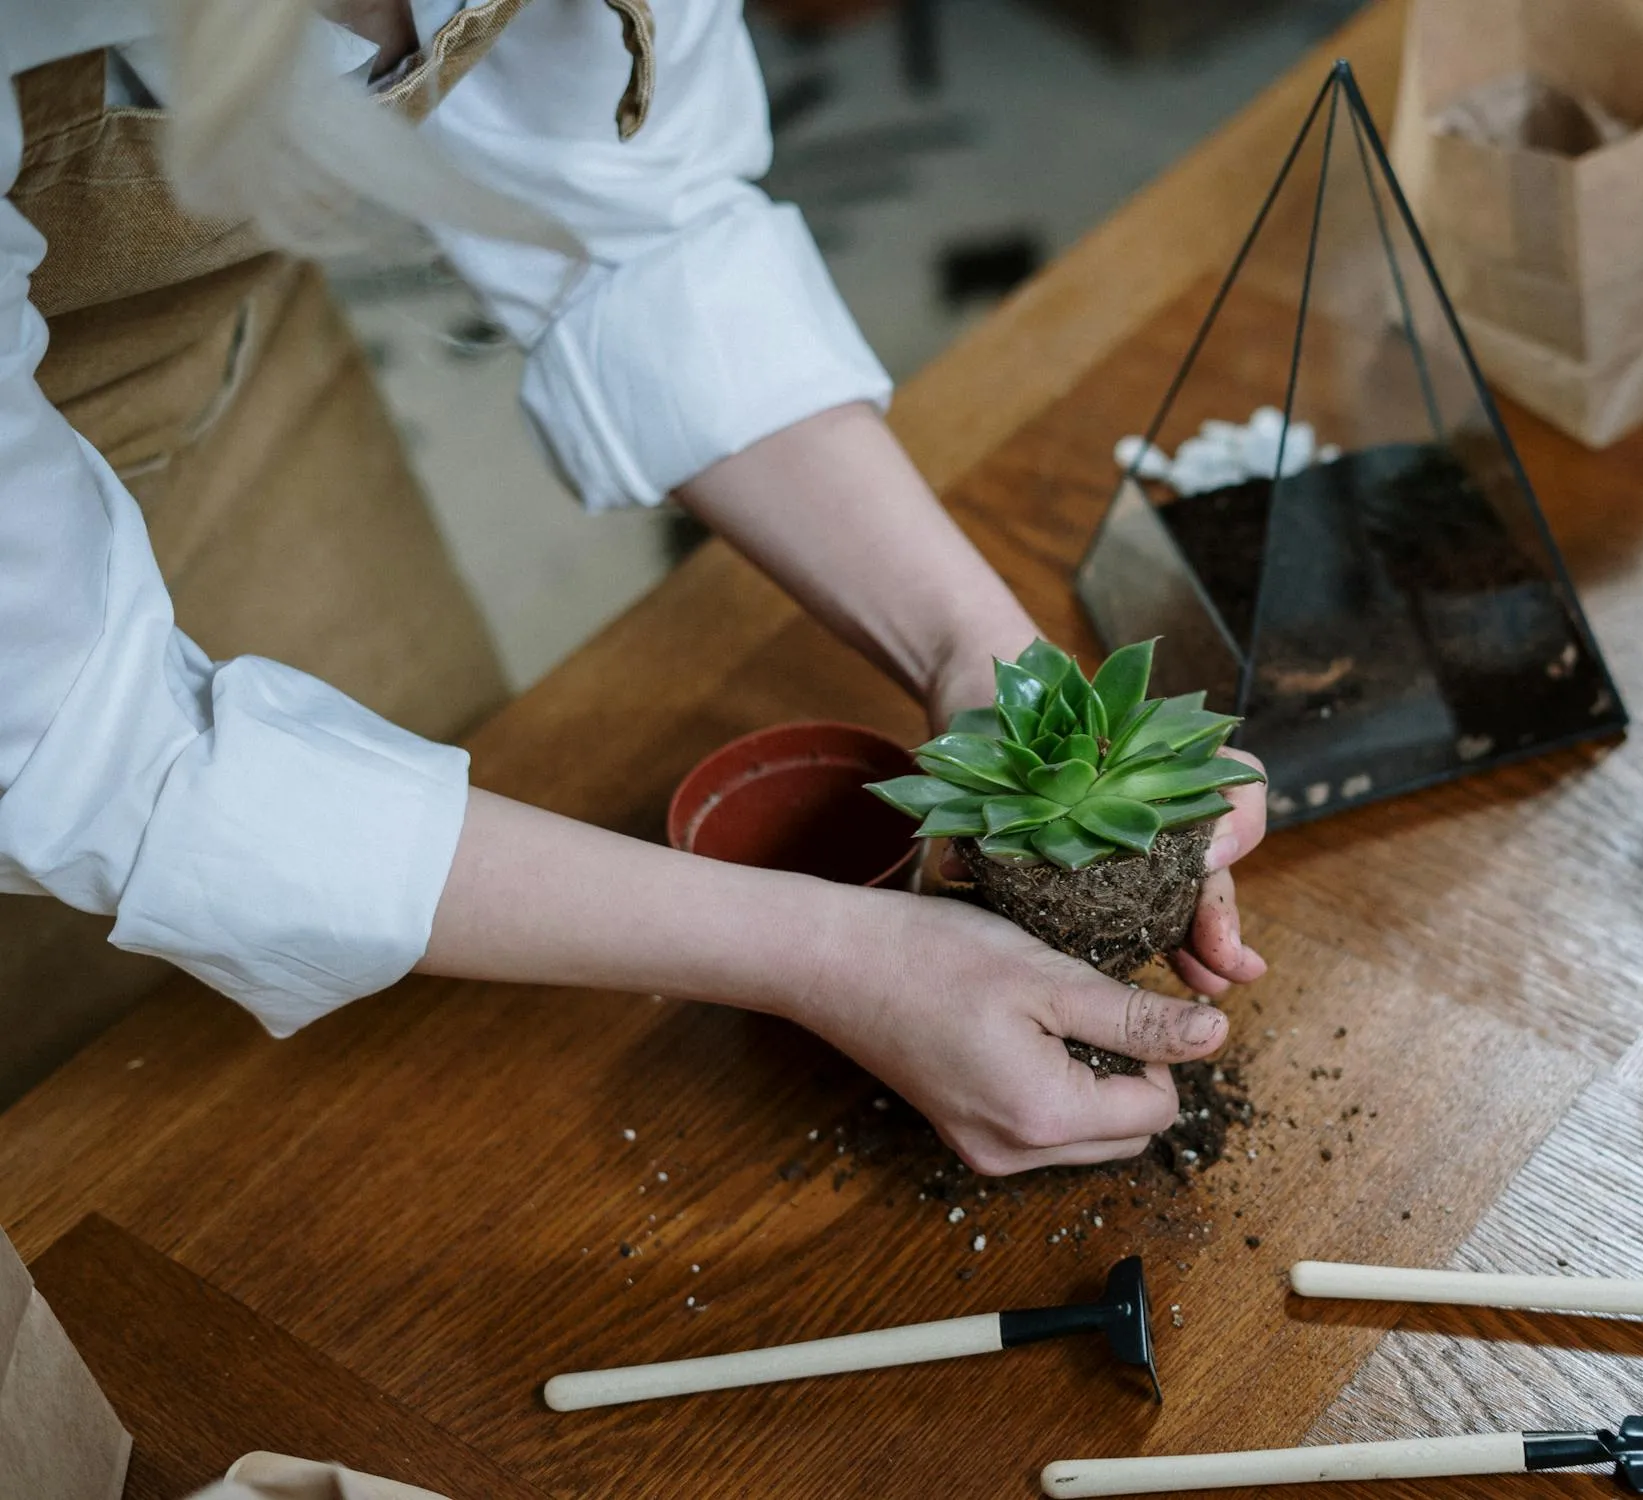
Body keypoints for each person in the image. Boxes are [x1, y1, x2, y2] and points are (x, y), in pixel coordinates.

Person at [0, 0, 1267, 1174]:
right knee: (117, 1111)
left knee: (443, 895)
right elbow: (91, 754)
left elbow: (639, 229)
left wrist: (982, 661)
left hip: (211, 382)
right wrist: (832, 955)